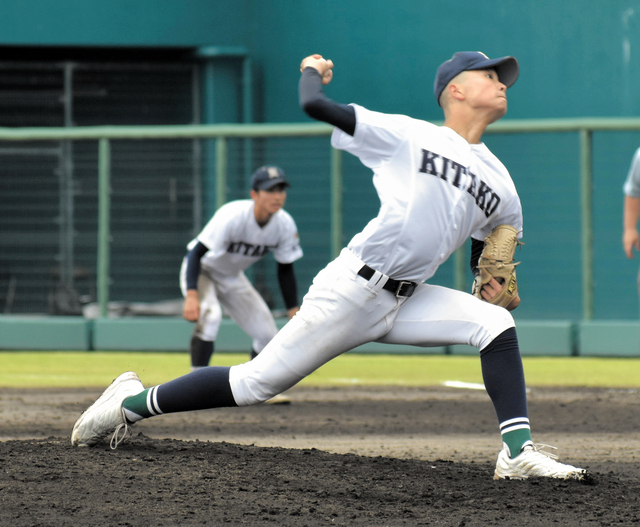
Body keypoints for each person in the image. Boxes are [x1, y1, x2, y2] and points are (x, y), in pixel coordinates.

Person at [71, 51, 588, 481]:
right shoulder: (407, 134)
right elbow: (315, 104)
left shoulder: (501, 181)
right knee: (255, 385)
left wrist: (490, 281)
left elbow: (488, 254)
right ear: (454, 89)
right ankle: (129, 404)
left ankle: (516, 455)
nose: (502, 84)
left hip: (409, 299)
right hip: (352, 288)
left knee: (495, 323)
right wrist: (311, 69)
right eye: (490, 75)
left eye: (503, 79)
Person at [180, 165, 302, 372]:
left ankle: (252, 384)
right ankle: (195, 382)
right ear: (254, 194)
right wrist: (192, 294)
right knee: (211, 316)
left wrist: (293, 310)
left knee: (268, 336)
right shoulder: (233, 215)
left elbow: (285, 269)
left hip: (232, 276)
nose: (277, 196)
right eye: (270, 190)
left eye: (281, 190)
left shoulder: (285, 224)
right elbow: (196, 254)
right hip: (203, 271)